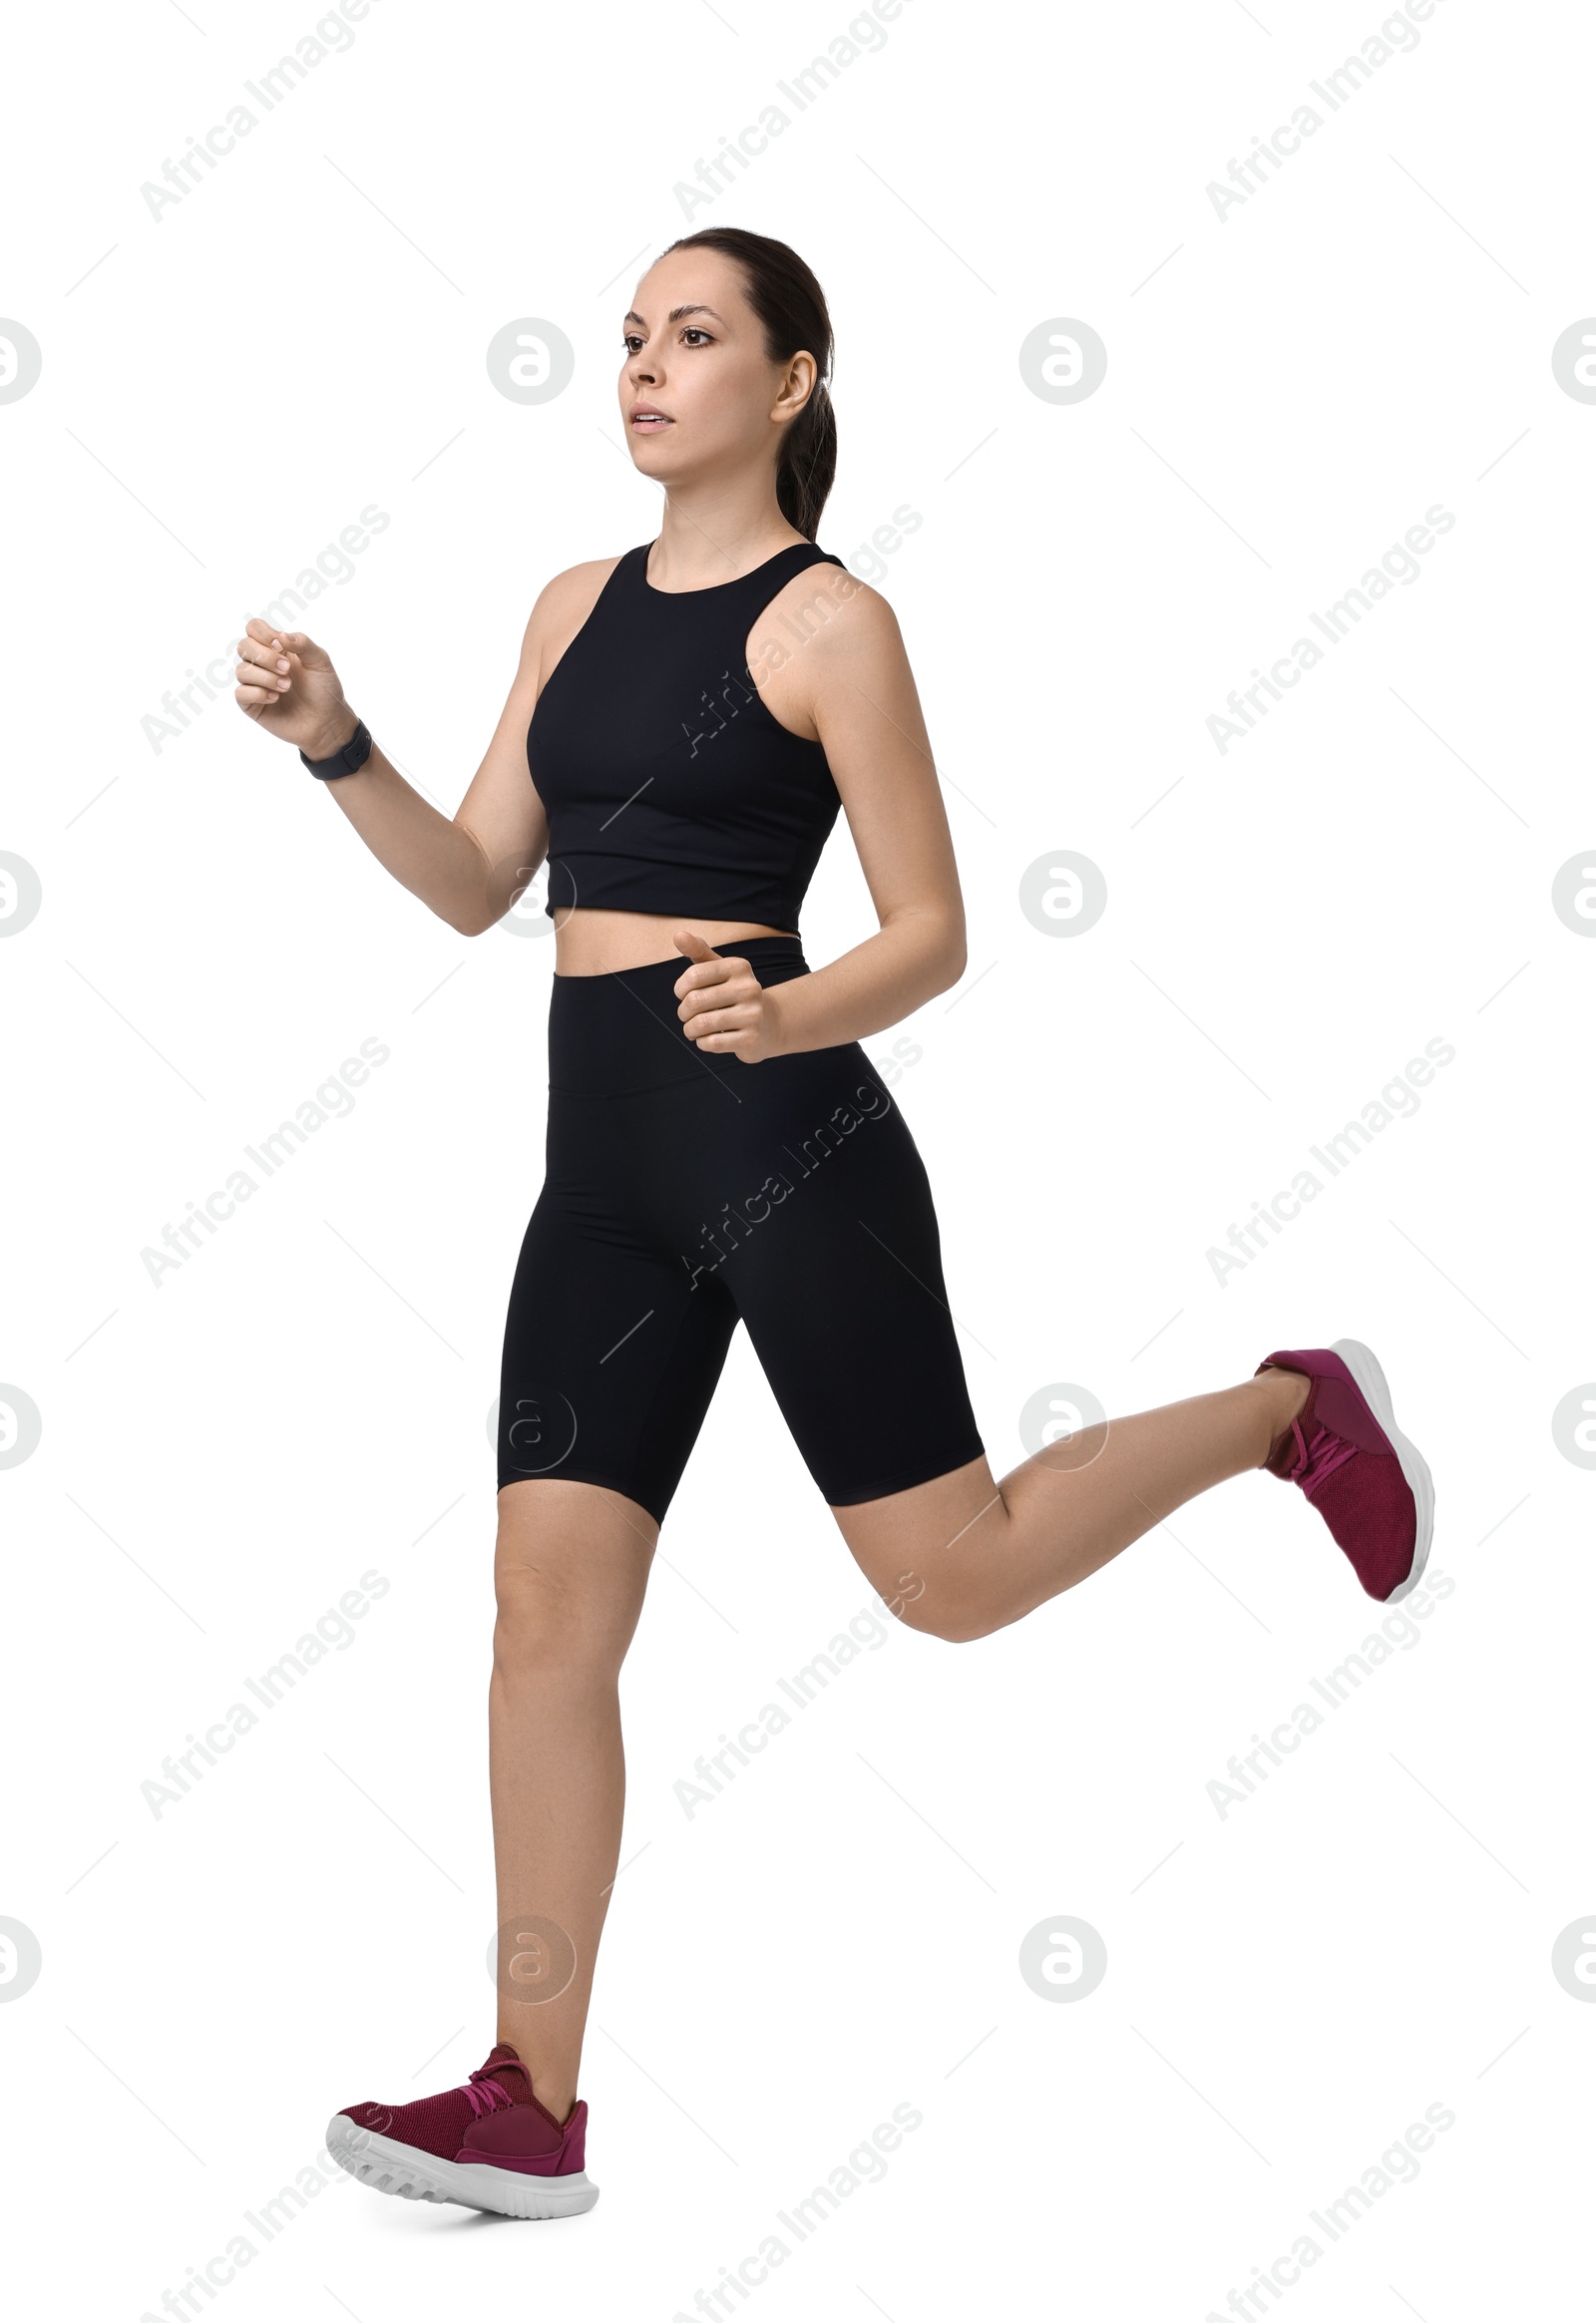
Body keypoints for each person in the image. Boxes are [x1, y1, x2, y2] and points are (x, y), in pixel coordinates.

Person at [232, 226, 1433, 2221]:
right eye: (627, 337)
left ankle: (1280, 1405)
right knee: (540, 1623)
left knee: (945, 1581)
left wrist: (785, 1006)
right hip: (599, 1177)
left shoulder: (827, 623)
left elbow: (936, 927)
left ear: (786, 382)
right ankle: (531, 2098)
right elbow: (468, 885)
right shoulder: (564, 604)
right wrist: (334, 741)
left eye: (690, 337)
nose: (639, 366)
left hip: (784, 1137)